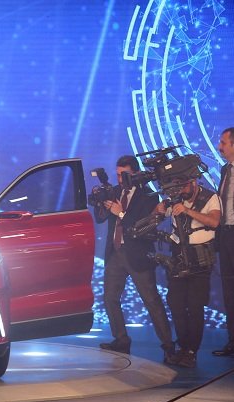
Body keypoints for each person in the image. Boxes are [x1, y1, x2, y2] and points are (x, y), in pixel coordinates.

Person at [94, 155, 174, 360]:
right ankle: (121, 340)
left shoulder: (149, 196)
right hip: (115, 253)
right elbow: (100, 218)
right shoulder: (114, 191)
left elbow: (143, 226)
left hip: (138, 254)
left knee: (151, 301)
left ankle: (168, 346)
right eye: (118, 174)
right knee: (110, 298)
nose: (120, 179)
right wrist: (101, 204)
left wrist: (120, 213)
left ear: (136, 173)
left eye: (125, 174)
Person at [155, 177, 220, 367]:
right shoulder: (175, 198)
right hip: (178, 256)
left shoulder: (210, 197)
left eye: (183, 185)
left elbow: (214, 221)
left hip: (200, 259)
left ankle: (192, 351)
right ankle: (183, 346)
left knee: (195, 306)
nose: (181, 190)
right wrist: (160, 207)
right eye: (178, 186)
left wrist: (187, 210)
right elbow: (158, 213)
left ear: (193, 182)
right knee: (175, 303)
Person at [214, 127, 234, 357]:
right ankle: (232, 340)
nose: (219, 147)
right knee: (229, 290)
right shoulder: (225, 170)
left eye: (223, 143)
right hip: (227, 235)